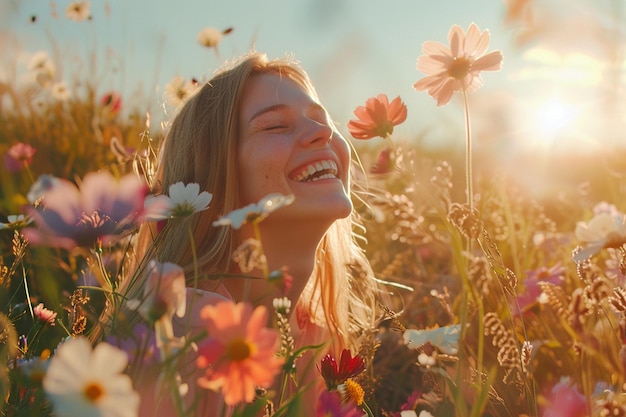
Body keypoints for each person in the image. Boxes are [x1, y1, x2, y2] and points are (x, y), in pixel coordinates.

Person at [101, 50, 387, 416]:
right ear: (214, 179)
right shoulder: (188, 330)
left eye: (321, 119)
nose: (324, 132)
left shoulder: (315, 335)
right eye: (275, 126)